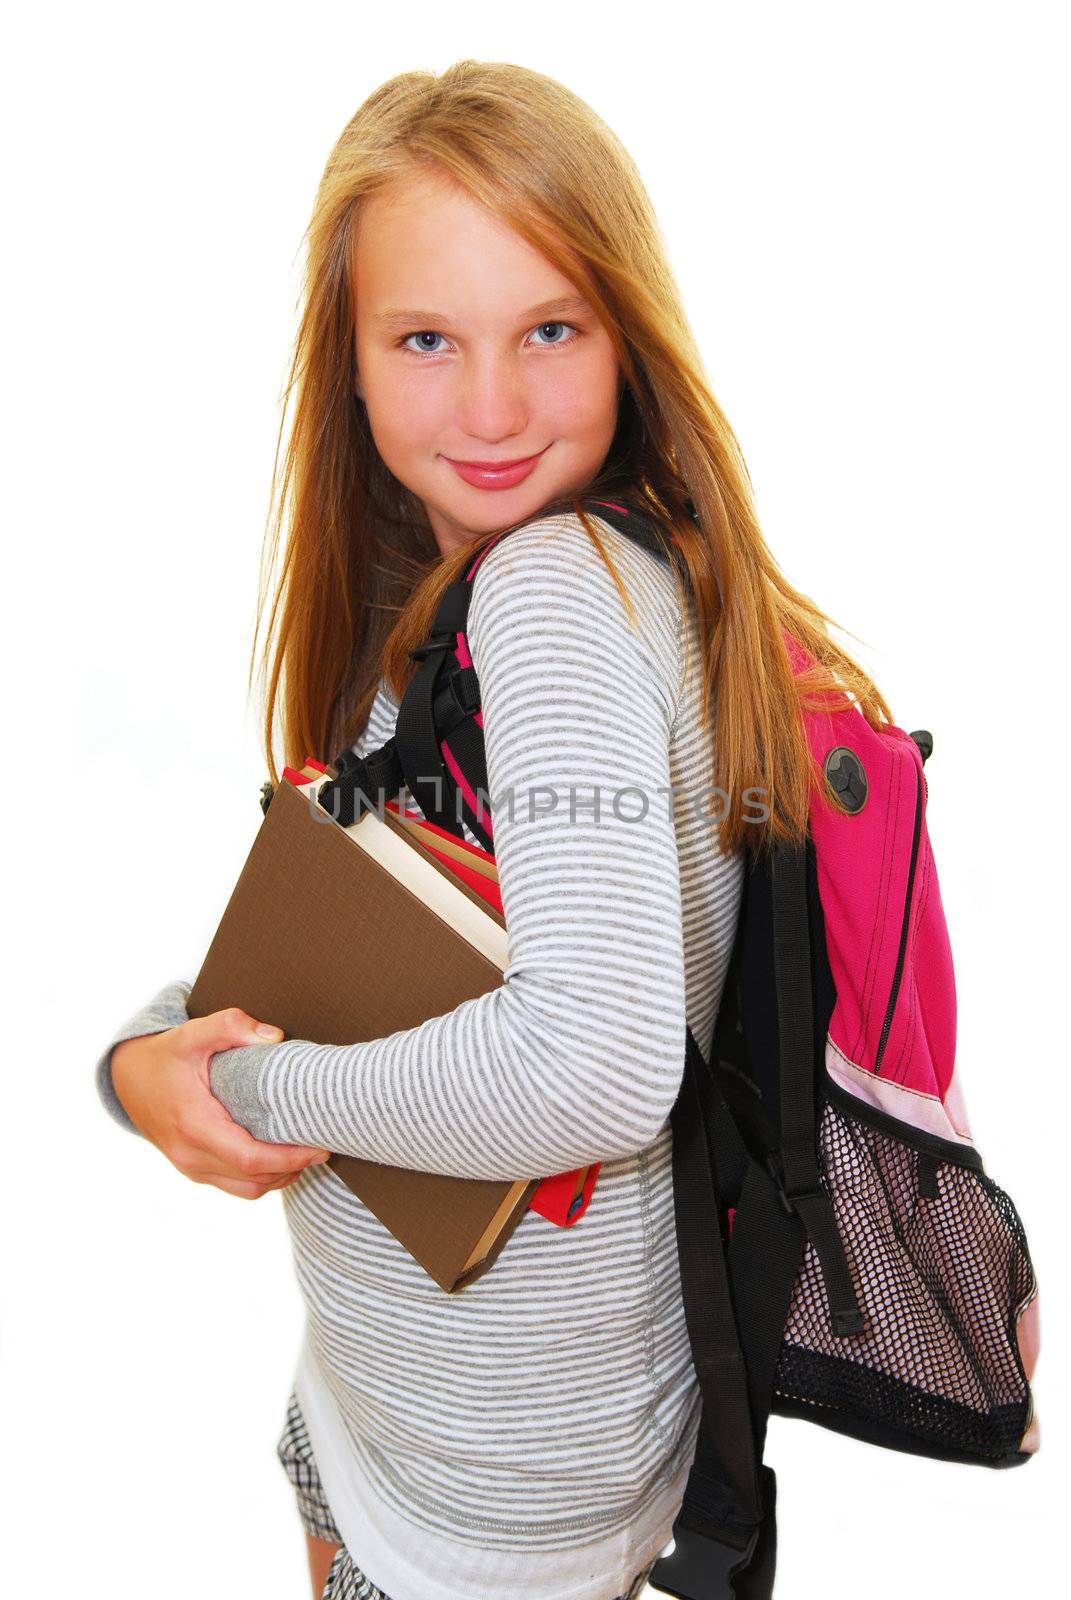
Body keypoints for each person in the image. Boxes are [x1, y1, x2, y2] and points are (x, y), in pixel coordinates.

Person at [93, 59, 893, 1600]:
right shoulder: (570, 579)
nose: (493, 404)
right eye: (425, 339)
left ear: (626, 332)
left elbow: (589, 1062)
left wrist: (242, 1085)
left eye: (549, 329)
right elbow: (359, 936)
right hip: (447, 1427)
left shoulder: (543, 600)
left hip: (481, 1496)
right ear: (350, 361)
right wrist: (145, 1060)